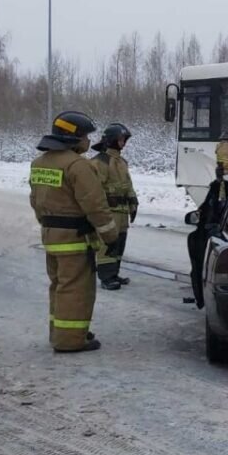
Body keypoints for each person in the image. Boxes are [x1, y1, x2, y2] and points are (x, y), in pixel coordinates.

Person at [29, 112, 120, 353]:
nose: (88, 141)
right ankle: (70, 341)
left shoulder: (40, 162)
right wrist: (111, 237)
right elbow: (95, 205)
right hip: (75, 240)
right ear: (74, 137)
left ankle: (61, 333)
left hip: (50, 237)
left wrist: (49, 225)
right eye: (86, 136)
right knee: (76, 289)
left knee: (59, 287)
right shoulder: (77, 165)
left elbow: (36, 202)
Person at [91, 123, 137, 291]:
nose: (123, 143)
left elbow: (128, 185)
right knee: (107, 244)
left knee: (119, 243)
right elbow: (94, 189)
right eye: (121, 140)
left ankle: (114, 273)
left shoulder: (121, 161)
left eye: (125, 140)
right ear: (111, 140)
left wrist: (133, 202)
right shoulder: (99, 162)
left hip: (122, 212)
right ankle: (106, 277)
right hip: (109, 211)